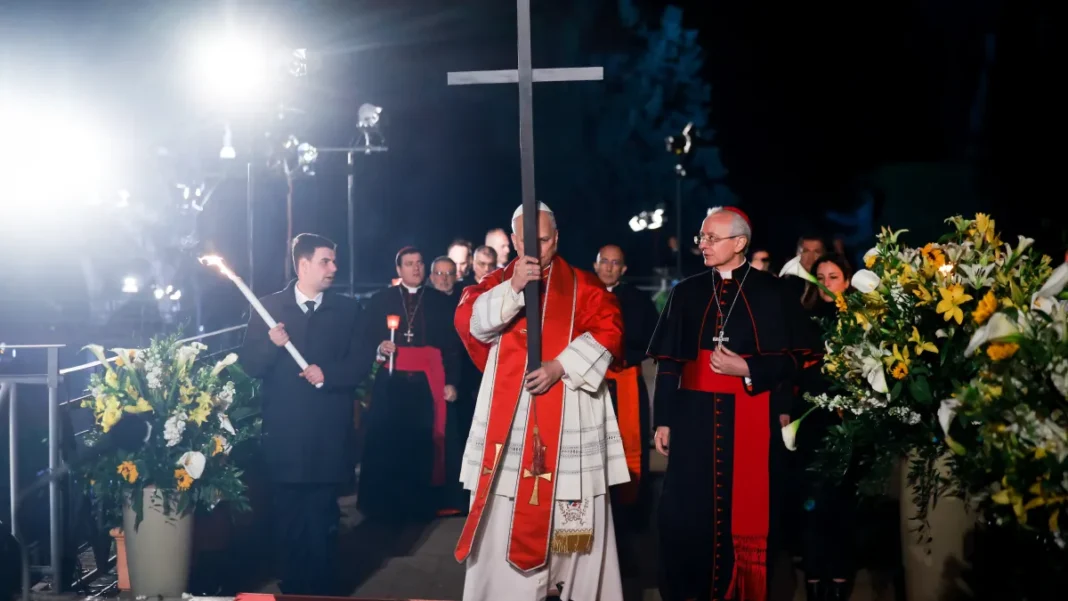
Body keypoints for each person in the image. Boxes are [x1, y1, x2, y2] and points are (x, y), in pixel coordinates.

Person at [454, 202, 628, 601]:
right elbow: (471, 324)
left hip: (568, 417)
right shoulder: (496, 282)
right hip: (511, 423)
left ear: (558, 237)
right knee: (505, 507)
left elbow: (611, 331)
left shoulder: (584, 285)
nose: (537, 248)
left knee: (573, 522)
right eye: (528, 240)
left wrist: (561, 366)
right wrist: (513, 287)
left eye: (546, 240)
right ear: (514, 240)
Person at [649, 207, 812, 601]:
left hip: (751, 418)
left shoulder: (774, 293)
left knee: (747, 515)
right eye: (700, 238)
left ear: (739, 243)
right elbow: (670, 363)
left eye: (711, 238)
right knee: (686, 517)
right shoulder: (685, 292)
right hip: (693, 421)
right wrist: (664, 420)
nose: (702, 245)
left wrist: (748, 366)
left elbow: (801, 358)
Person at [240, 233, 372, 596]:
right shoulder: (268, 309)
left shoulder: (348, 310)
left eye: (333, 261)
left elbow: (361, 362)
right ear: (303, 265)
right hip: (285, 430)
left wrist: (328, 374)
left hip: (328, 429)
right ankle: (292, 580)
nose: (334, 268)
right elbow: (250, 365)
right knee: (287, 510)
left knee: (323, 510)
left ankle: (323, 582)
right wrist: (271, 344)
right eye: (326, 261)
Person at [358, 247, 465, 520]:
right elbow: (366, 337)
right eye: (409, 264)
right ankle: (385, 506)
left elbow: (453, 347)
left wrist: (452, 381)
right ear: (399, 270)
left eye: (419, 263)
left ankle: (421, 506)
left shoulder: (440, 302)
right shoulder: (381, 299)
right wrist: (380, 347)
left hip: (427, 384)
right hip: (391, 382)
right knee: (387, 440)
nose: (416, 268)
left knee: (423, 443)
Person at [796, 254, 855, 601]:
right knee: (813, 499)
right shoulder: (808, 318)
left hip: (848, 418)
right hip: (814, 417)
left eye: (834, 276)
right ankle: (816, 574)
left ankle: (840, 572)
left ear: (847, 280)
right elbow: (799, 370)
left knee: (842, 501)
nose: (827, 283)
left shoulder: (861, 318)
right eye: (821, 276)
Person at [593, 245, 658, 534]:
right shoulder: (580, 294)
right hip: (590, 384)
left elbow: (651, 339)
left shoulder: (637, 299)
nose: (608, 267)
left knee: (629, 450)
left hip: (625, 380)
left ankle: (629, 524)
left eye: (615, 263)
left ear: (624, 269)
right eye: (604, 261)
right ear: (595, 265)